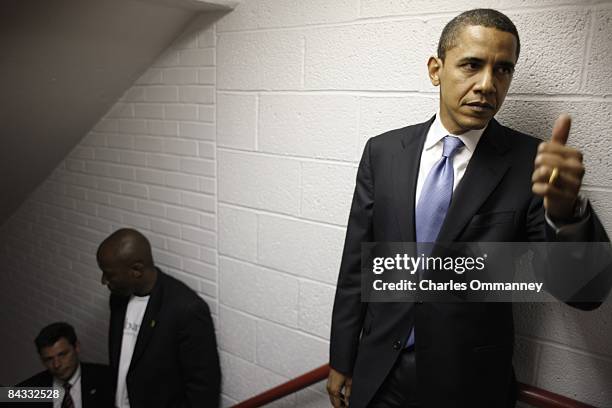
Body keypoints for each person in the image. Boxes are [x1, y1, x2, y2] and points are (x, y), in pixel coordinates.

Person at [327, 8, 611, 408]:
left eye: (503, 70)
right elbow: (357, 265)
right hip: (379, 373)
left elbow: (586, 294)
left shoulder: (530, 163)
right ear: (435, 69)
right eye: (472, 65)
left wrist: (566, 214)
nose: (486, 84)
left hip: (469, 387)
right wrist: (342, 357)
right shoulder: (383, 151)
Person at [96, 228, 220, 408]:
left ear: (136, 270)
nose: (103, 281)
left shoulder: (186, 309)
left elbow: (203, 390)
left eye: (109, 274)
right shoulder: (118, 298)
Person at [16, 322, 112, 408]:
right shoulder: (29, 390)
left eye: (62, 354)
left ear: (77, 347)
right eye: (49, 359)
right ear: (41, 360)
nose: (56, 364)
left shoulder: (107, 379)